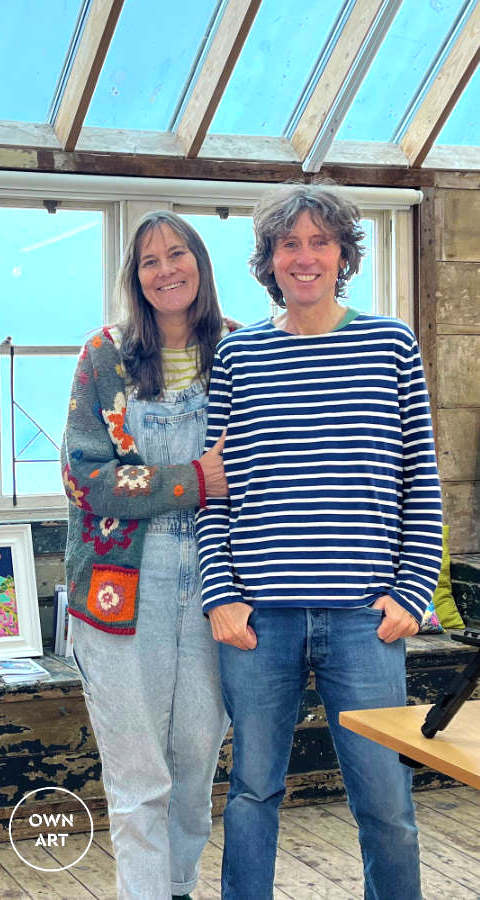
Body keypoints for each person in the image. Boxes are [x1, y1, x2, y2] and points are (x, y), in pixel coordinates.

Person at [197, 184, 443, 900]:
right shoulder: (239, 357)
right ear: (269, 261)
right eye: (289, 244)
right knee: (251, 795)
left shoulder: (390, 344)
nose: (305, 258)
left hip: (365, 619)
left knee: (387, 806)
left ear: (343, 256)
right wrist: (221, 596)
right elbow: (217, 490)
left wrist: (412, 591)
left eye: (320, 242)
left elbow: (420, 483)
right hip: (258, 622)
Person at [61, 210, 234, 900]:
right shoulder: (105, 355)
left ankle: (179, 887)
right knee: (140, 775)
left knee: (195, 763)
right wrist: (192, 482)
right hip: (120, 581)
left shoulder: (243, 352)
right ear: (135, 278)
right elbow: (84, 476)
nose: (166, 269)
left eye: (178, 253)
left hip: (222, 576)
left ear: (200, 262)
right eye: (149, 260)